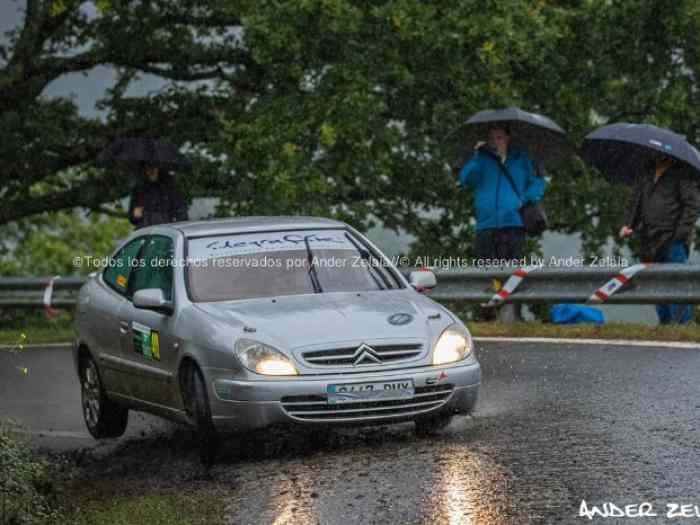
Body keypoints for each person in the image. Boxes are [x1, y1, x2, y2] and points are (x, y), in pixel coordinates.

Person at [619, 154, 700, 324]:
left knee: (677, 283)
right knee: (656, 283)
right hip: (649, 239)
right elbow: (636, 200)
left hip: (673, 241)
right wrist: (628, 224)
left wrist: (679, 235)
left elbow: (692, 206)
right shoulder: (647, 172)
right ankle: (665, 324)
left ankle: (681, 325)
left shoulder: (682, 173)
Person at [458, 124, 546, 265]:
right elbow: (465, 179)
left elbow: (537, 183)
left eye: (499, 137)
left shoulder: (521, 159)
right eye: (492, 138)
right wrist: (476, 155)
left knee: (509, 272)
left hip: (513, 224)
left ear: (507, 138)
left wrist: (524, 200)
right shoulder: (481, 160)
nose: (495, 141)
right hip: (485, 224)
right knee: (488, 275)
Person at [128, 165, 189, 229]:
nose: (151, 171)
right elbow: (132, 218)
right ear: (144, 170)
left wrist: (174, 224)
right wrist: (134, 215)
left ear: (159, 169)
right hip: (144, 231)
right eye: (148, 168)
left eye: (154, 168)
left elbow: (182, 213)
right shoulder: (138, 190)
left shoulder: (170, 188)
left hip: (165, 231)